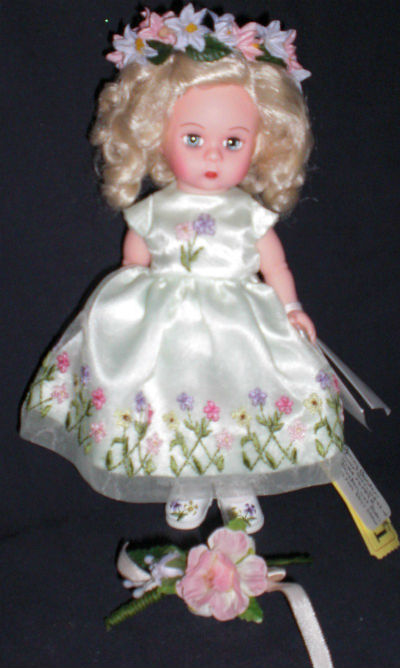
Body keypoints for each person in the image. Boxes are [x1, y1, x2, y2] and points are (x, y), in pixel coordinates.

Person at [20, 6, 345, 533]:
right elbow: (133, 263)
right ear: (158, 135)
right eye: (194, 138)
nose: (213, 155)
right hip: (169, 326)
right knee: (174, 401)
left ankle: (237, 486)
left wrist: (292, 307)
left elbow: (275, 264)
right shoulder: (156, 210)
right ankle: (188, 485)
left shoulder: (248, 213)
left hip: (241, 325)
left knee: (236, 398)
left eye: (233, 142)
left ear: (261, 144)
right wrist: (121, 315)